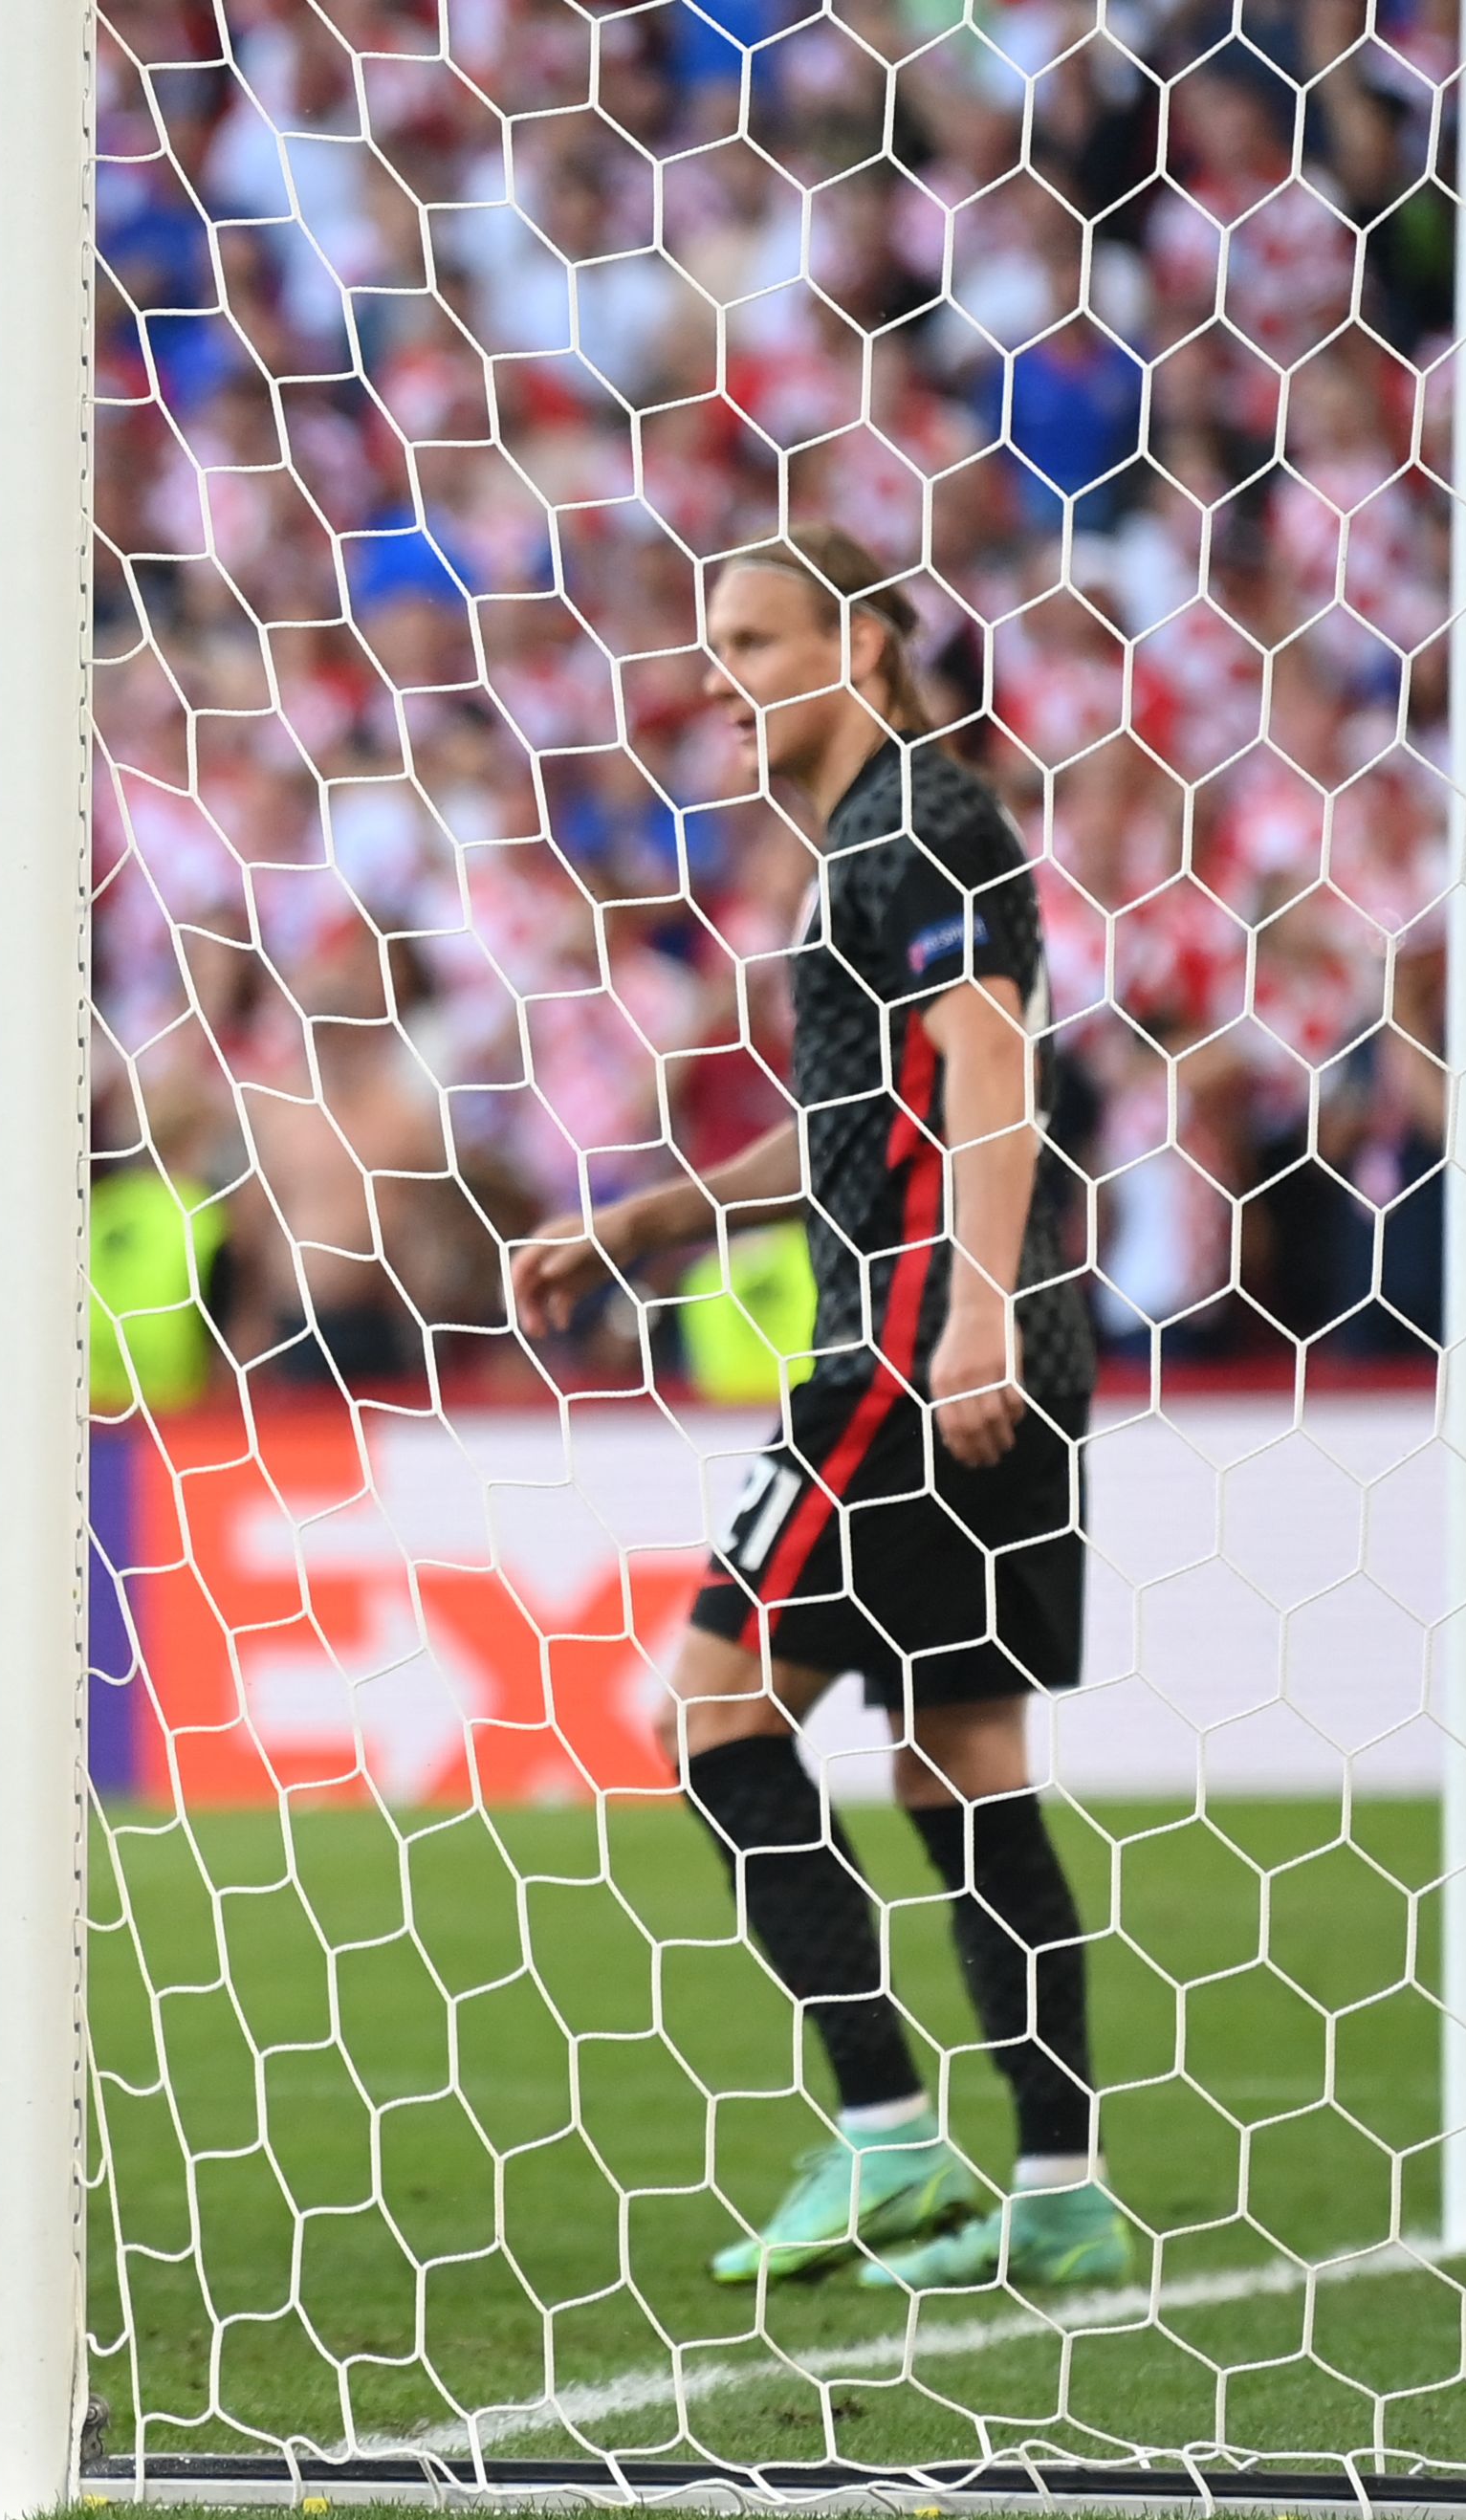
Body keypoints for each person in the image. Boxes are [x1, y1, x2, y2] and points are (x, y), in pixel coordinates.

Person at [509, 525, 1117, 2296]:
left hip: (918, 1350)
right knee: (956, 1756)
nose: (724, 676)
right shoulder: (876, 837)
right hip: (977, 1337)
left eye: (757, 641)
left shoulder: (916, 816)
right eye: (714, 644)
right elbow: (866, 1118)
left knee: (710, 1712)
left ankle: (882, 2131)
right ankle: (1062, 2182)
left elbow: (992, 1064)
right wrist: (650, 1216)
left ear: (863, 643)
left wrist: (975, 1316)